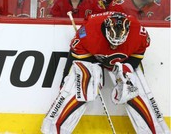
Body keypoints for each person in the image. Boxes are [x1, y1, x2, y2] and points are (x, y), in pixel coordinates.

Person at [41, 11, 169, 133]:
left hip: (124, 60)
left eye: (118, 43)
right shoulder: (88, 32)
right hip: (91, 57)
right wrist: (66, 79)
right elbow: (74, 57)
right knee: (79, 87)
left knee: (134, 89)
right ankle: (53, 129)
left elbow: (137, 54)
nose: (114, 46)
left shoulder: (139, 33)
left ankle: (154, 131)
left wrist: (126, 70)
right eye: (112, 42)